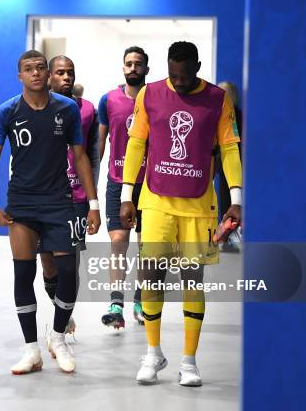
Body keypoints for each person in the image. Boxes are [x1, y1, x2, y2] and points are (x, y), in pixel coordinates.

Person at [120, 41, 242, 386]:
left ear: (198, 67)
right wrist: (127, 194)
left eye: (186, 76)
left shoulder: (218, 99)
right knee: (152, 277)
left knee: (192, 281)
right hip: (156, 199)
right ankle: (153, 353)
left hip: (199, 205)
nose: (179, 82)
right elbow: (136, 143)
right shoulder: (150, 94)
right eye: (173, 75)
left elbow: (230, 148)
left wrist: (237, 197)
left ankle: (189, 361)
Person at [0, 50, 100, 374]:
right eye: (28, 69)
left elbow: (81, 159)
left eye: (40, 68)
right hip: (21, 204)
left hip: (59, 201)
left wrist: (92, 205)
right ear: (19, 75)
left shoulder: (67, 109)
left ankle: (58, 337)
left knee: (67, 272)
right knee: (24, 274)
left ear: (48, 75)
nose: (35, 73)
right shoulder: (6, 111)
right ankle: (30, 350)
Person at [39, 55, 99, 336]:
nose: (66, 78)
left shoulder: (87, 110)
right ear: (49, 76)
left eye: (70, 72)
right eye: (60, 73)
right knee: (48, 262)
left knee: (69, 264)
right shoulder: (34, 107)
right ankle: (59, 307)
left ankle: (60, 325)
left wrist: (92, 201)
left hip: (75, 197)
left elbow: (92, 157)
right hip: (41, 197)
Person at [97, 46, 150, 328]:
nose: (132, 68)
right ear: (123, 68)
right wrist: (91, 190)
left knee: (145, 246)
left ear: (146, 69)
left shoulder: (155, 99)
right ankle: (116, 302)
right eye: (128, 63)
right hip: (117, 182)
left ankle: (140, 301)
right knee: (119, 241)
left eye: (137, 64)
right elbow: (99, 144)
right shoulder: (108, 100)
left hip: (150, 184)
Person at [216, 81, 243, 252]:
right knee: (224, 199)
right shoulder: (219, 113)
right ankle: (225, 236)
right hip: (220, 162)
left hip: (235, 164)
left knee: (230, 200)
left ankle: (227, 235)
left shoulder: (236, 115)